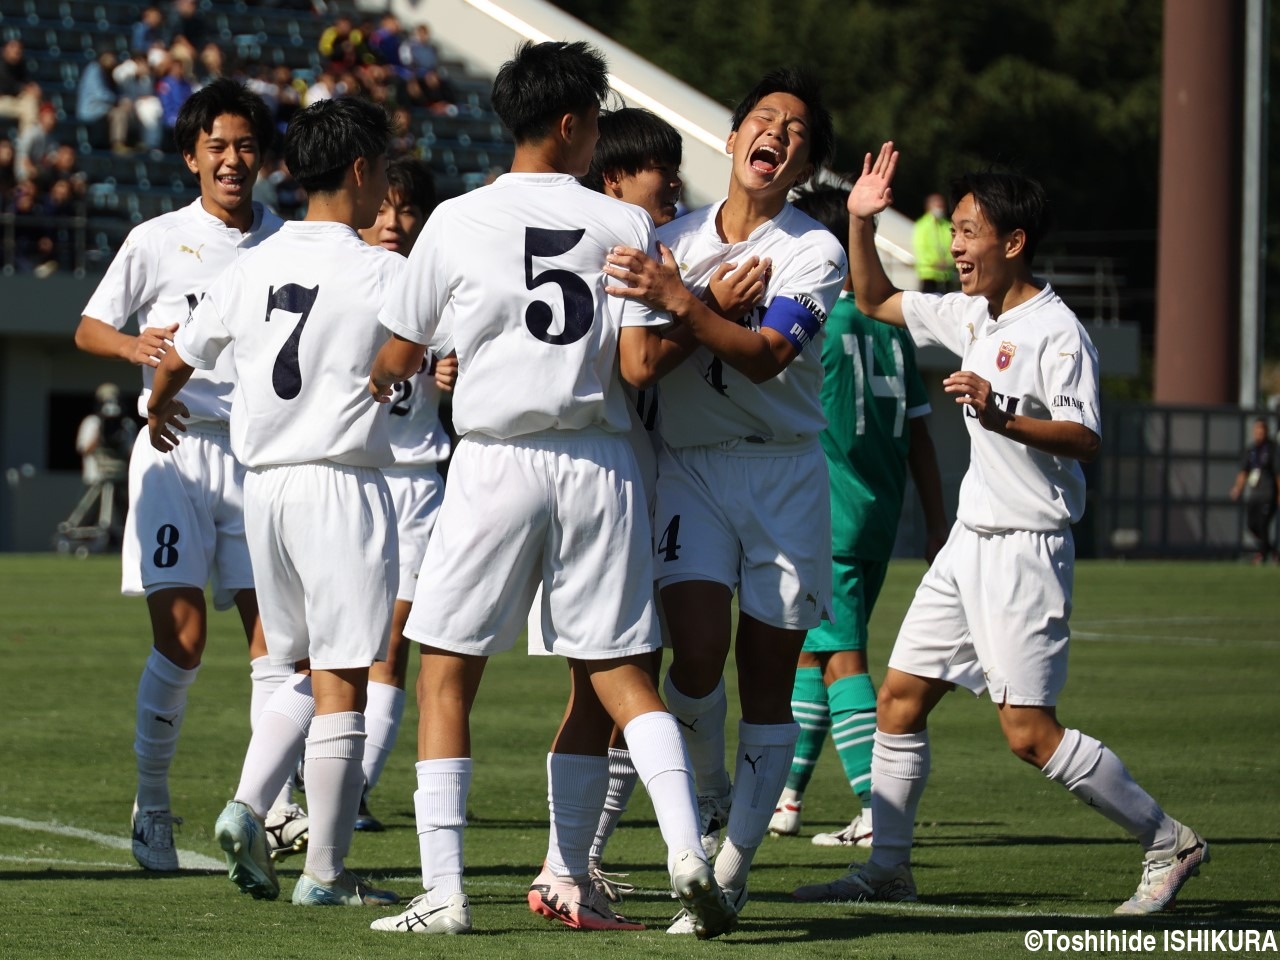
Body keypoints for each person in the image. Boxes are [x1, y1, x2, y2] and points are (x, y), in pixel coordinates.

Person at [368, 40, 736, 939]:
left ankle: (446, 893)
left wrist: (415, 364)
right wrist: (708, 301)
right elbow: (642, 362)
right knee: (617, 672)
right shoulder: (623, 226)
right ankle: (687, 852)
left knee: (448, 673)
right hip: (602, 462)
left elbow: (394, 357)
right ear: (573, 124)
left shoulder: (455, 219)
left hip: (496, 459)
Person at [792, 144, 1207, 915]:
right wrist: (859, 218)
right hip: (968, 548)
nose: (956, 244)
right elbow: (876, 296)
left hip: (1025, 546)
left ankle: (1167, 840)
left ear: (1013, 242)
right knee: (899, 700)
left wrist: (1001, 414)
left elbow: (1085, 436)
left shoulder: (1057, 331)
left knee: (1027, 733)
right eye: (956, 230)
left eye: (971, 230)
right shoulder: (973, 313)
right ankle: (888, 866)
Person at [602, 67, 847, 931]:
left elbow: (767, 354)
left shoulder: (816, 249)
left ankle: (729, 873)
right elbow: (638, 364)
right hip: (693, 466)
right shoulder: (669, 234)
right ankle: (709, 799)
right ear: (734, 137)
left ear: (802, 163)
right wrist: (692, 296)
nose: (774, 134)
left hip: (784, 474)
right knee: (696, 658)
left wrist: (681, 303)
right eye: (762, 119)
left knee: (769, 685)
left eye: (796, 130)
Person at [148, 95, 403, 909]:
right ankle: (325, 872)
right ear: (362, 172)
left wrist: (156, 405)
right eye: (385, 173)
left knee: (290, 667)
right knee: (342, 679)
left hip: (266, 489)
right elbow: (427, 340)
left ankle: (247, 805)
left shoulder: (249, 264)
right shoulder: (381, 269)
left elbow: (181, 355)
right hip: (340, 481)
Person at [72, 79, 306, 872]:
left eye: (245, 146)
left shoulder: (289, 242)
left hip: (262, 453)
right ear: (190, 157)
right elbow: (89, 327)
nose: (232, 161)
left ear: (266, 157)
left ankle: (267, 808)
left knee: (278, 643)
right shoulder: (156, 238)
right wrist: (137, 350)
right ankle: (152, 805)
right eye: (217, 147)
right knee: (183, 641)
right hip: (175, 446)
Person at [767, 186, 948, 847]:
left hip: (824, 514)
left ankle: (878, 809)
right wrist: (935, 519)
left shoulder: (820, 324)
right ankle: (787, 798)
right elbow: (923, 435)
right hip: (878, 514)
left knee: (841, 658)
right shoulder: (892, 325)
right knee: (812, 659)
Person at [354, 156, 457, 832]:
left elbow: (468, 379)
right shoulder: (344, 280)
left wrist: (453, 381)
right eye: (385, 208)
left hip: (417, 481)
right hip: (349, 478)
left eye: (408, 210)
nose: (394, 222)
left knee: (394, 641)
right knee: (329, 641)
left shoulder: (441, 289)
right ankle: (305, 775)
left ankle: (351, 793)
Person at [1230, 417, 1279, 564]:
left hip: (1269, 494)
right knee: (1252, 525)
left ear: (1266, 431)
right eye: (1256, 429)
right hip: (1255, 494)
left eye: (1261, 429)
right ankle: (1272, 552)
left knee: (1263, 524)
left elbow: (1278, 473)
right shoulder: (1250, 450)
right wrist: (1237, 488)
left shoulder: (1272, 449)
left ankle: (1262, 555)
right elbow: (1243, 472)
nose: (1259, 432)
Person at [913, 192, 955, 293]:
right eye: (937, 206)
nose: (940, 209)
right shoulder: (921, 225)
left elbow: (954, 245)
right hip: (928, 274)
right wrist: (934, 263)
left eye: (941, 206)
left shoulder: (948, 226)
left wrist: (949, 261)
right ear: (929, 206)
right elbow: (920, 249)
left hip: (946, 275)